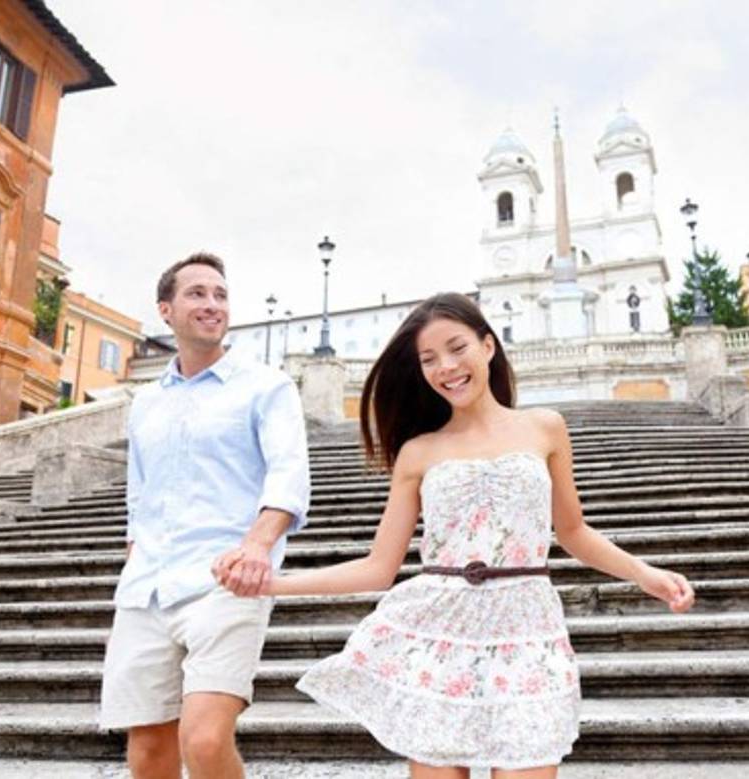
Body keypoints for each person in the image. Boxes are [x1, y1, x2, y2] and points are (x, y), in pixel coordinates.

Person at [217, 292, 694, 778]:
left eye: (456, 347)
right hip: (439, 632)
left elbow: (572, 531)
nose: (445, 366)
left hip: (526, 630)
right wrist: (269, 582)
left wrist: (643, 573)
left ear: (488, 346)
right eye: (429, 359)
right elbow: (378, 567)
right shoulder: (418, 452)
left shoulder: (545, 428)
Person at [99, 253, 311, 779]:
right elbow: (137, 498)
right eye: (197, 293)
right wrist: (133, 564)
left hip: (227, 578)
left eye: (220, 294)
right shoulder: (144, 402)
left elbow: (289, 476)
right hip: (147, 587)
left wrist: (257, 545)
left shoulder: (267, 387)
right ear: (165, 311)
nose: (212, 304)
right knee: (147, 752)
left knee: (205, 738)